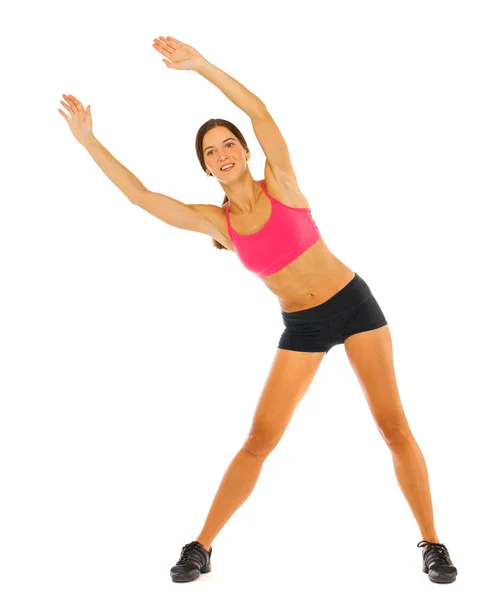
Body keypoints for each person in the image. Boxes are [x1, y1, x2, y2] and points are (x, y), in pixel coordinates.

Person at [58, 34, 457, 586]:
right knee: (259, 440)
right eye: (210, 153)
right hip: (304, 325)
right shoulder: (217, 224)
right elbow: (142, 197)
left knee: (393, 427)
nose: (221, 155)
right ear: (207, 169)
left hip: (354, 304)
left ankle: (432, 543)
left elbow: (260, 111)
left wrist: (200, 66)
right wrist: (88, 142)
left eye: (228, 145)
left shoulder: (283, 184)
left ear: (244, 151)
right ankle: (201, 546)